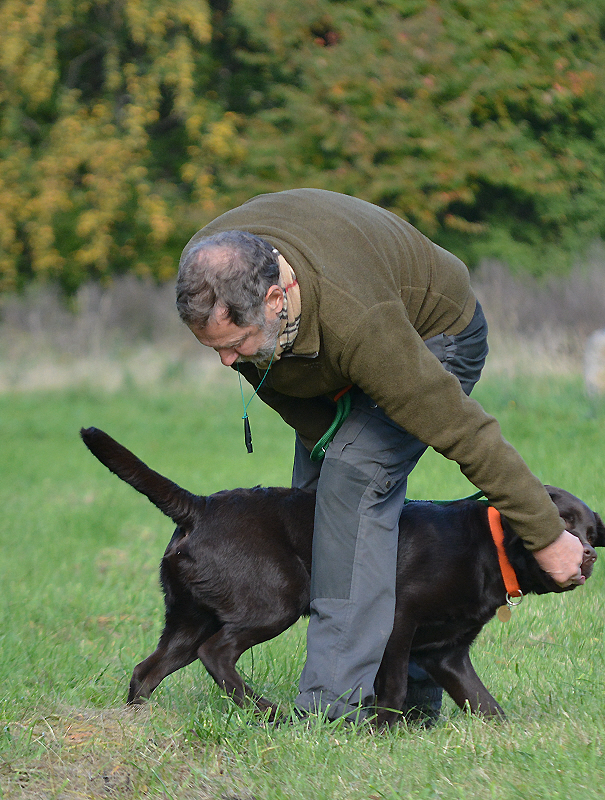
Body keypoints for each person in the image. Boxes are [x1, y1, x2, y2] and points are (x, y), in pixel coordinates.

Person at [175, 188, 584, 723]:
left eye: (237, 342)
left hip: (433, 336)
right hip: (335, 359)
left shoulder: (358, 318)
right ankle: (408, 689)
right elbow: (280, 384)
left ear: (277, 298)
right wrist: (336, 449)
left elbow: (467, 432)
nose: (227, 361)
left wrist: (546, 534)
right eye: (214, 347)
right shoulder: (216, 277)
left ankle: (333, 711)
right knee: (324, 504)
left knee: (353, 484)